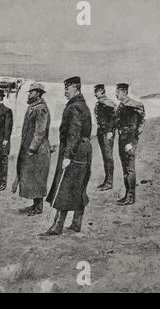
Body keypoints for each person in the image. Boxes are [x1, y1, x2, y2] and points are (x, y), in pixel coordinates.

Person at [41, 76, 92, 236]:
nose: (65, 92)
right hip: (84, 150)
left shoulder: (74, 107)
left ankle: (57, 226)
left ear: (76, 88)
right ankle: (76, 223)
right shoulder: (82, 105)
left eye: (67, 89)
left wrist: (68, 155)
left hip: (75, 151)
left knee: (65, 187)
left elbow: (74, 133)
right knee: (79, 186)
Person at [13, 83, 51, 216]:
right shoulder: (33, 107)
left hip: (38, 151)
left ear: (39, 94)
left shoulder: (41, 108)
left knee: (38, 178)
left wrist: (33, 148)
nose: (29, 94)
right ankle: (35, 204)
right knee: (31, 178)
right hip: (31, 149)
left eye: (31, 92)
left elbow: (40, 131)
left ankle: (39, 208)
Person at [115, 83, 145, 206]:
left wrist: (130, 143)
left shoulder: (131, 106)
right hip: (122, 138)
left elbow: (133, 126)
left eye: (118, 92)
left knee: (129, 168)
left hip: (128, 140)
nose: (116, 95)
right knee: (125, 168)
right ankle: (127, 194)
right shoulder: (123, 105)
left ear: (124, 92)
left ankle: (131, 197)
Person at [94, 84, 118, 191]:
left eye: (97, 91)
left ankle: (109, 182)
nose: (95, 93)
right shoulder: (100, 102)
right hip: (101, 131)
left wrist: (110, 131)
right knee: (105, 157)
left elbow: (114, 117)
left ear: (102, 91)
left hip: (107, 132)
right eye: (95, 91)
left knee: (108, 157)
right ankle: (107, 181)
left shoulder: (107, 103)